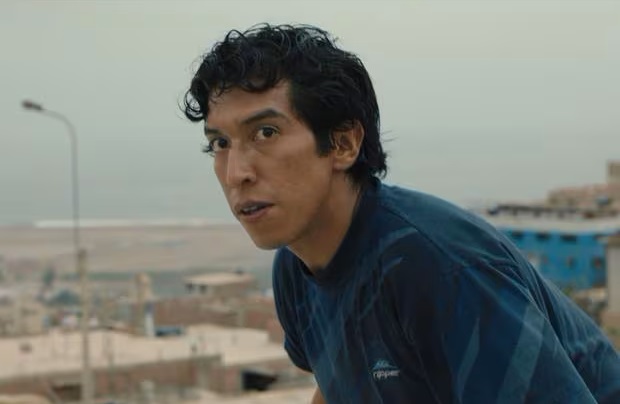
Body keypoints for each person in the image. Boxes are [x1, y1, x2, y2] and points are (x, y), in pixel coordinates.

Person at [183, 23, 620, 403]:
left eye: (265, 133)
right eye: (219, 143)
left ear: (343, 144)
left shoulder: (437, 266)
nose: (235, 173)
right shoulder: (296, 268)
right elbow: (337, 387)